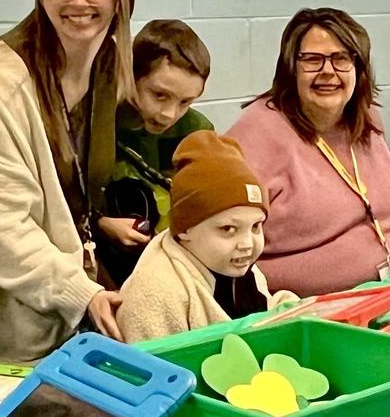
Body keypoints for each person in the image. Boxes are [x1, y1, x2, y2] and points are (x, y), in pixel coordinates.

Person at [0, 0, 136, 362]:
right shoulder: (1, 77)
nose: (78, 0)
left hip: (70, 296)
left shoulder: (109, 62)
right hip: (6, 315)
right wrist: (83, 293)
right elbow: (6, 227)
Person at [228, 9, 390, 297]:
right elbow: (223, 243)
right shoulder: (256, 132)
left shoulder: (367, 119)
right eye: (313, 60)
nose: (328, 71)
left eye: (341, 58)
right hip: (315, 313)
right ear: (291, 68)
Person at [117, 132, 294, 342]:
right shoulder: (154, 294)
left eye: (256, 226)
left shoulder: (242, 271)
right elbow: (151, 367)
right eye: (228, 229)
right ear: (184, 229)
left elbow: (261, 316)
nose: (247, 244)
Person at [95, 19, 215, 286]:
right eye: (159, 95)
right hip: (106, 268)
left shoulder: (197, 130)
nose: (169, 114)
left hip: (178, 266)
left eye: (185, 102)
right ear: (132, 76)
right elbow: (67, 204)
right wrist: (102, 225)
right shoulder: (99, 125)